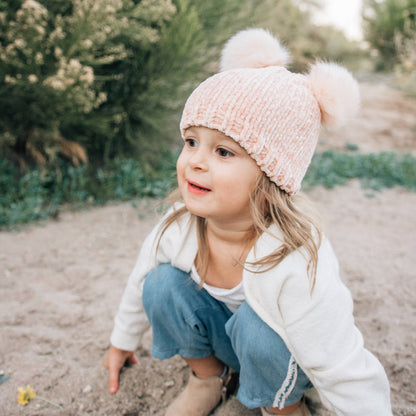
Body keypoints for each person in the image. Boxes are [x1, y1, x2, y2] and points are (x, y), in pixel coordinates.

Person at [103, 28, 393, 416]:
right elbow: (139, 282)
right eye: (191, 141)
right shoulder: (178, 227)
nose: (196, 161)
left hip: (284, 355)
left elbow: (339, 360)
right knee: (159, 284)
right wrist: (121, 340)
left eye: (223, 151)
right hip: (227, 343)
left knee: (258, 329)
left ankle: (284, 407)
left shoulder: (297, 257)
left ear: (272, 175)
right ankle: (208, 379)